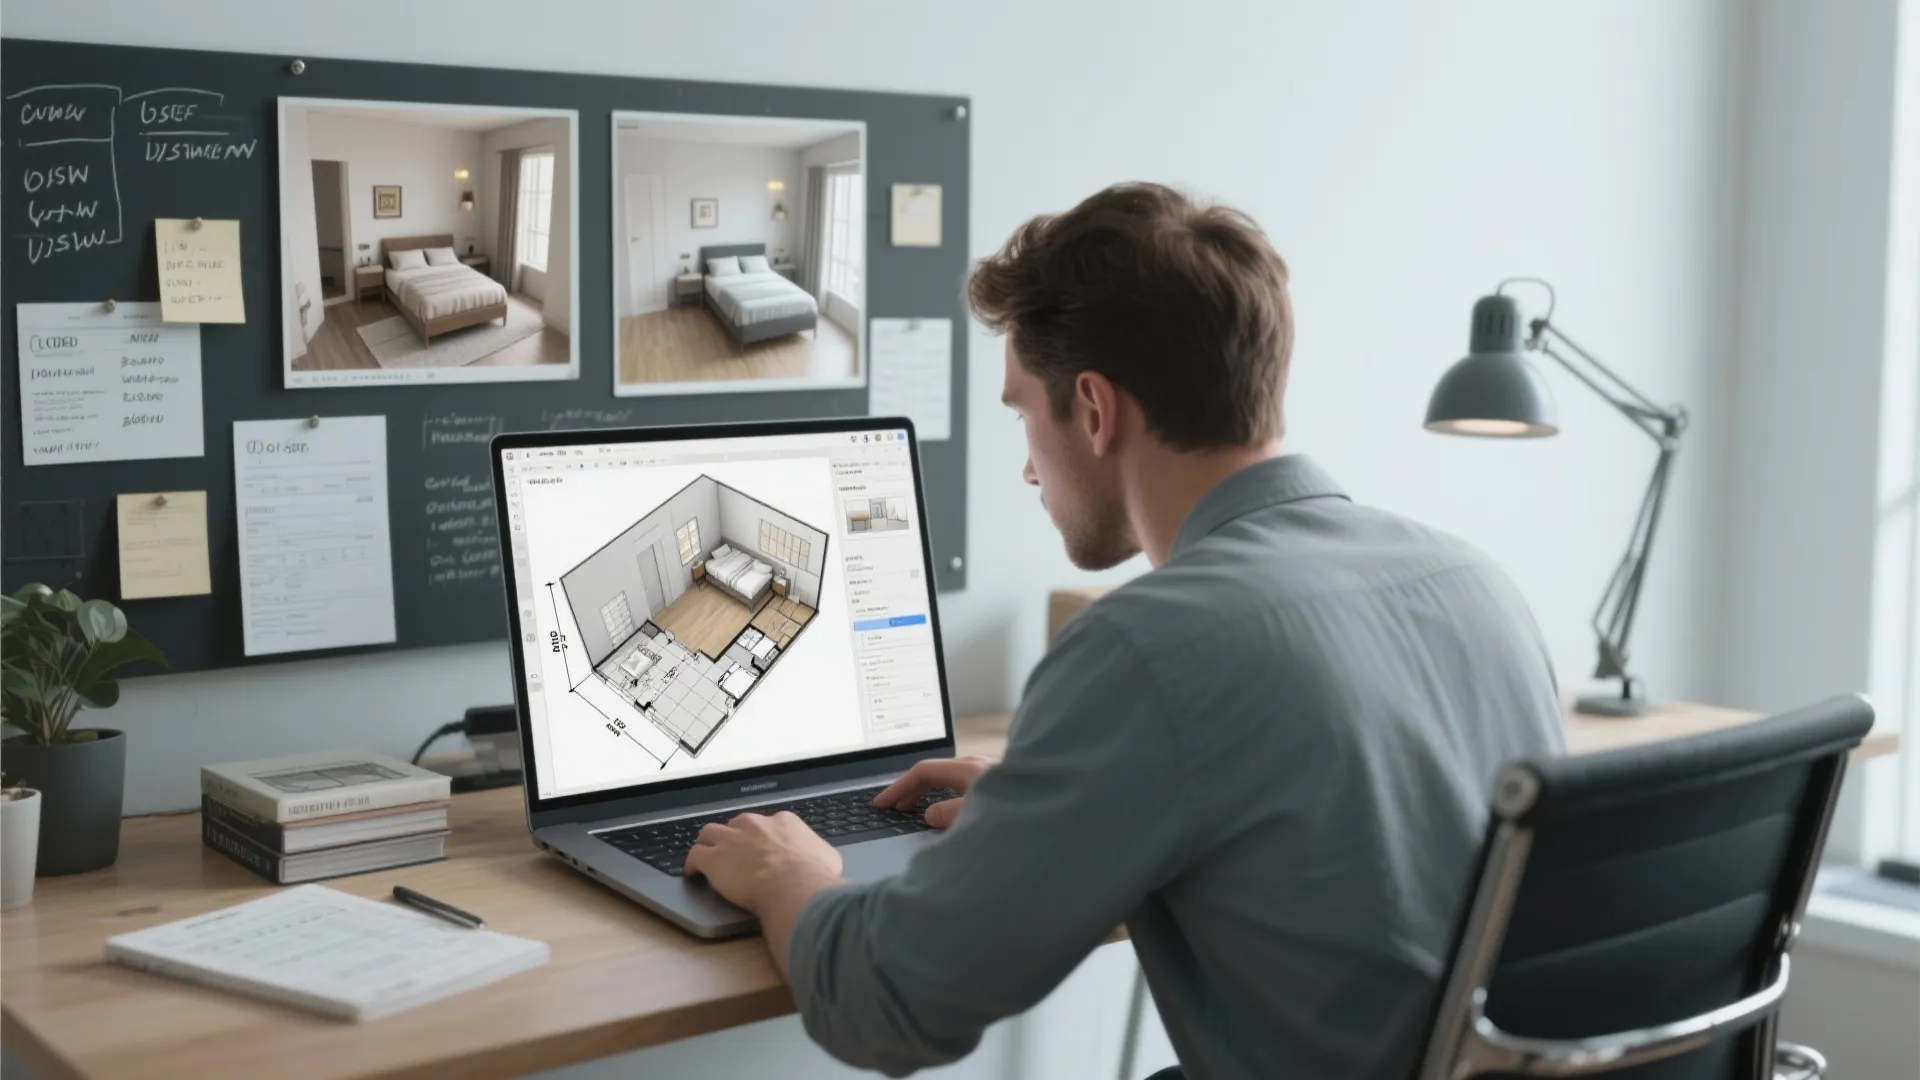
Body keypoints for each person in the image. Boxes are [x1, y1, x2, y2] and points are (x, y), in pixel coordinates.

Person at [683, 182, 1564, 1079]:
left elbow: (884, 1007)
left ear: (1096, 411)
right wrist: (1047, 806)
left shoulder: (1151, 648)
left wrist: (790, 875)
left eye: (1024, 411)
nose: (1029, 466)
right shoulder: (1474, 580)